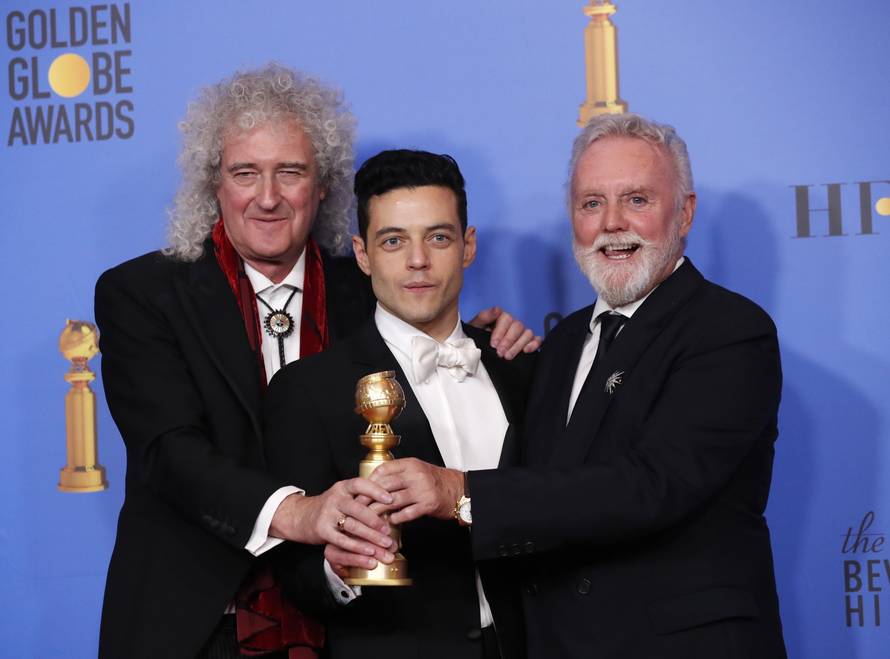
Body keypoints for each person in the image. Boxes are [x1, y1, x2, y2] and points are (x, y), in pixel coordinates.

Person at [94, 65, 538, 659]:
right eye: (245, 173)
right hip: (201, 619)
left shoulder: (369, 286)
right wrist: (298, 513)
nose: (268, 196)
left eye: (291, 172)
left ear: (322, 185)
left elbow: (431, 340)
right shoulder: (144, 294)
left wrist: (487, 340)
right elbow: (170, 454)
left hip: (350, 625)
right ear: (215, 185)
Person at [360, 114, 788, 658]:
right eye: (591, 203)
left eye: (636, 200)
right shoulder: (558, 348)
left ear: (685, 212)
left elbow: (649, 486)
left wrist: (460, 493)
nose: (611, 223)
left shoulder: (729, 331)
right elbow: (544, 488)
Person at [263, 149, 534, 659]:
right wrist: (337, 569)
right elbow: (294, 573)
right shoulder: (306, 390)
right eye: (393, 241)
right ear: (362, 255)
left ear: (468, 245)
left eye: (438, 237)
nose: (418, 261)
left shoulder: (523, 367)